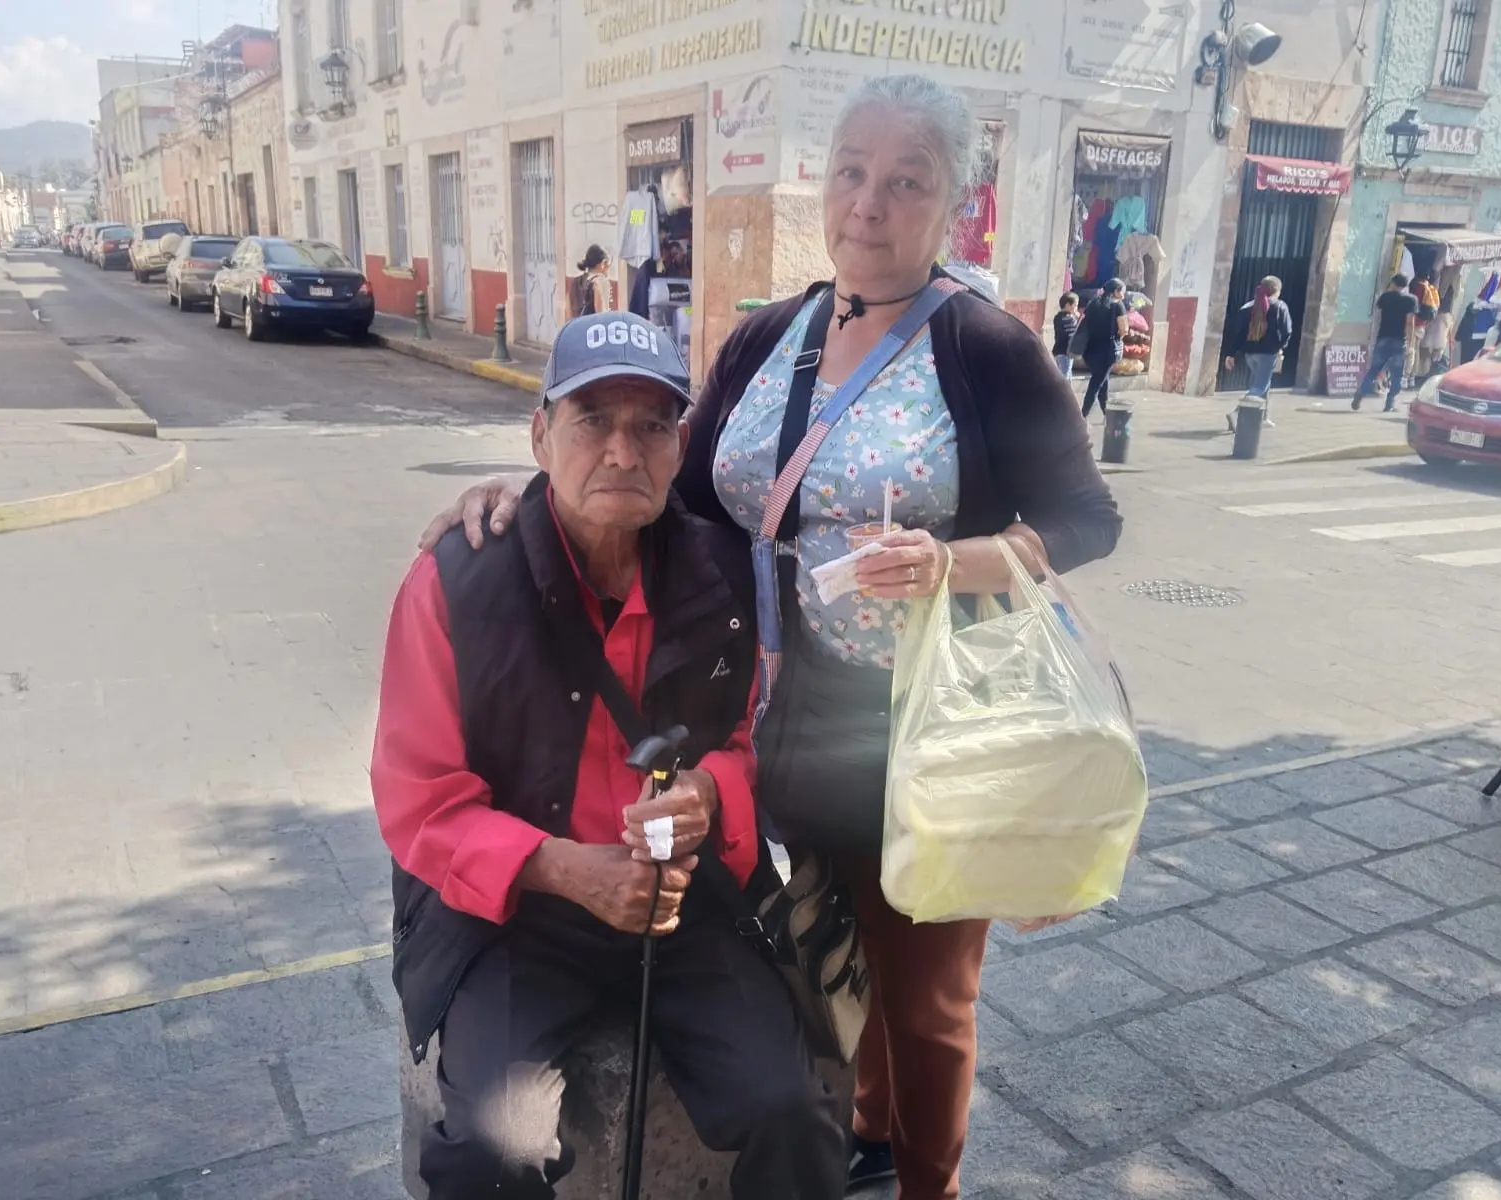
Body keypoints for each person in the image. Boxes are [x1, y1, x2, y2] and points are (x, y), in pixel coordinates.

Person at [418, 74, 1122, 1200]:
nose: (870, 207)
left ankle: (924, 1182)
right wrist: (531, 487)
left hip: (920, 728)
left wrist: (955, 563)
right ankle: (865, 1126)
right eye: (852, 174)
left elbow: (1089, 522)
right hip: (766, 716)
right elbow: (665, 489)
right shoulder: (767, 336)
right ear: (823, 181)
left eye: (907, 183)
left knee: (928, 990)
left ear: (952, 207)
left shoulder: (984, 346)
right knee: (823, 958)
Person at [372, 309, 847, 1200]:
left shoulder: (729, 576)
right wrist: (566, 871)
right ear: (541, 435)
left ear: (680, 447)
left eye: (652, 425)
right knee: (487, 1147)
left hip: (686, 907)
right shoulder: (456, 581)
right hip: (517, 920)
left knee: (794, 1113)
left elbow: (757, 743)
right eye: (593, 420)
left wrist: (711, 794)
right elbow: (417, 797)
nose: (624, 451)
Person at [1222, 275, 1292, 430]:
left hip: (1249, 354)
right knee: (1260, 386)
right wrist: (1280, 346)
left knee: (1262, 383)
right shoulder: (1280, 306)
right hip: (1267, 353)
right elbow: (1287, 331)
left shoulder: (1247, 307)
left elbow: (1238, 333)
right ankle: (1236, 413)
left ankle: (1264, 417)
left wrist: (1231, 353)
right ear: (1277, 291)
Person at [1353, 273, 1417, 413]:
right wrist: (1411, 344)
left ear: (1393, 283)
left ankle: (1361, 392)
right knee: (1397, 376)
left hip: (1382, 339)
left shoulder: (1384, 297)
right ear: (1405, 285)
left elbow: (1377, 316)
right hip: (1399, 342)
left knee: (1374, 370)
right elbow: (1410, 323)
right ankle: (1389, 404)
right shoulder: (1411, 300)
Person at [1079, 279, 1128, 418]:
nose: (1123, 295)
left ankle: (1106, 413)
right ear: (1116, 292)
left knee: (1102, 380)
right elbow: (1123, 329)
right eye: (1122, 292)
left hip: (1090, 349)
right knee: (1096, 384)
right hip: (1106, 351)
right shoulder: (1118, 306)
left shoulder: (1094, 303)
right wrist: (1121, 337)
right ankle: (1082, 416)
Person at [572, 244, 613, 317]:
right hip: (592, 327)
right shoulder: (601, 282)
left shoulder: (575, 282)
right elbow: (602, 316)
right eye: (608, 265)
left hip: (576, 326)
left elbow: (568, 312)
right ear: (603, 263)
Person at [1051, 291, 1079, 379]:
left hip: (1058, 350)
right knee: (1064, 378)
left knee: (1065, 376)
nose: (1076, 308)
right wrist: (1076, 319)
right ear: (1068, 305)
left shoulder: (1057, 317)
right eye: (1075, 305)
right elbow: (1073, 335)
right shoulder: (1070, 319)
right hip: (1066, 352)